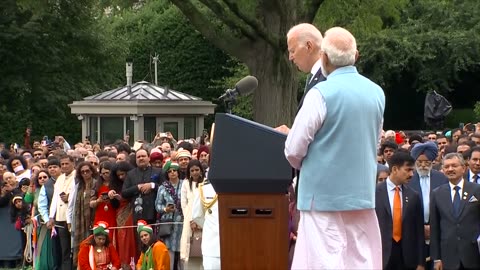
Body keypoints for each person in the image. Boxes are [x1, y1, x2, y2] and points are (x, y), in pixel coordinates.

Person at [284, 27, 385, 269]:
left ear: (325, 58)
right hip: (361, 194)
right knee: (359, 260)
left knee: (323, 261)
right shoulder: (377, 93)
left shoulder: (320, 93)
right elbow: (376, 142)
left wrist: (310, 165)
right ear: (356, 56)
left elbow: (293, 149)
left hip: (322, 199)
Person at [430, 153, 480, 270]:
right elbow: (435, 228)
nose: (450, 169)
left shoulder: (476, 190)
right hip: (448, 257)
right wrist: (437, 258)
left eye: (454, 166)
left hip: (473, 254)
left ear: (463, 168)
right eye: (446, 167)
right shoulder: (437, 193)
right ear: (442, 170)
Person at [375, 152, 425, 270]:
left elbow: (419, 231)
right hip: (381, 254)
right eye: (408, 170)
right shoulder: (374, 193)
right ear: (395, 169)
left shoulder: (414, 196)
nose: (411, 174)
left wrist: (421, 262)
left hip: (407, 257)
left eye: (412, 170)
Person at [406, 141, 448, 268]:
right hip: (415, 233)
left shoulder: (441, 178)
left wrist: (432, 226)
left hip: (438, 232)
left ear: (432, 162)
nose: (423, 165)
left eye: (426, 162)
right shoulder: (408, 179)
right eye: (419, 162)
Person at [192, 178, 219, 270]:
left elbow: (197, 216)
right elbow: (196, 215)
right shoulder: (204, 188)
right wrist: (210, 227)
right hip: (212, 246)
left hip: (232, 244)